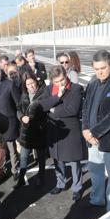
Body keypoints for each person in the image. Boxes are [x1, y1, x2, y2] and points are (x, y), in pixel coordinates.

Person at [81, 49, 110, 210]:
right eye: (96, 69)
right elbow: (86, 107)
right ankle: (97, 199)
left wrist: (93, 132)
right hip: (91, 138)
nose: (100, 72)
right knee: (96, 171)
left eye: (103, 68)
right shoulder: (93, 83)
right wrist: (85, 130)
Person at [39, 65, 86, 200]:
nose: (60, 84)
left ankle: (77, 187)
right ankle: (60, 183)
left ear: (66, 76)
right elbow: (42, 105)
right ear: (52, 81)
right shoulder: (48, 89)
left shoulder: (76, 88)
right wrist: (57, 97)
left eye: (62, 80)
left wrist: (53, 109)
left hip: (70, 131)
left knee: (74, 161)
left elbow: (72, 110)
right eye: (57, 81)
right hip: (54, 131)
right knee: (57, 159)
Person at [15, 72, 47, 188]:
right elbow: (18, 109)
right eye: (28, 84)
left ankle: (41, 178)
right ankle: (21, 179)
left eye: (32, 83)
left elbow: (46, 112)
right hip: (26, 132)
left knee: (41, 157)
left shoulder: (43, 93)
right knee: (23, 157)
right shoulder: (24, 95)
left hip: (39, 131)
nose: (31, 86)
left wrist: (36, 119)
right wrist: (21, 117)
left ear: (36, 82)